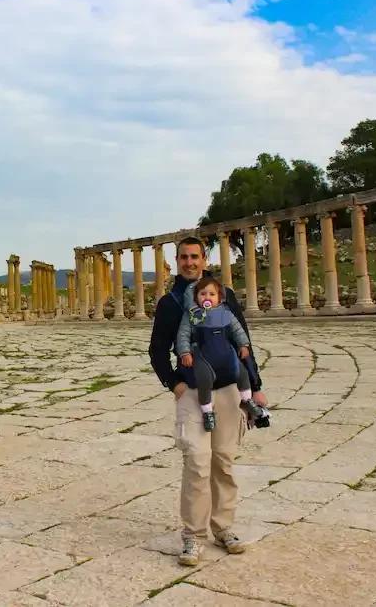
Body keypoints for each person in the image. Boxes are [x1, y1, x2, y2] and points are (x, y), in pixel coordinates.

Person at [149, 236, 268, 567]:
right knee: (197, 463)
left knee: (223, 463)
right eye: (183, 257)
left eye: (195, 257)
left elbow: (243, 339)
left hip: (229, 390)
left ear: (204, 259)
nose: (189, 262)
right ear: (176, 261)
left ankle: (224, 528)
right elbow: (157, 350)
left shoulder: (224, 295)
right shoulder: (171, 303)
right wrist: (173, 385)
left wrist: (254, 386)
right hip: (192, 392)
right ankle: (193, 536)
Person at [176, 276, 265, 431]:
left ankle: (247, 400)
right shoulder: (192, 315)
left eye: (211, 294)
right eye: (202, 294)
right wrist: (185, 353)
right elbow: (183, 334)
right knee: (204, 381)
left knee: (242, 373)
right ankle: (207, 412)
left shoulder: (226, 313)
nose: (207, 297)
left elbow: (238, 330)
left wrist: (244, 345)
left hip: (226, 354)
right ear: (195, 297)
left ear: (219, 297)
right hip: (203, 357)